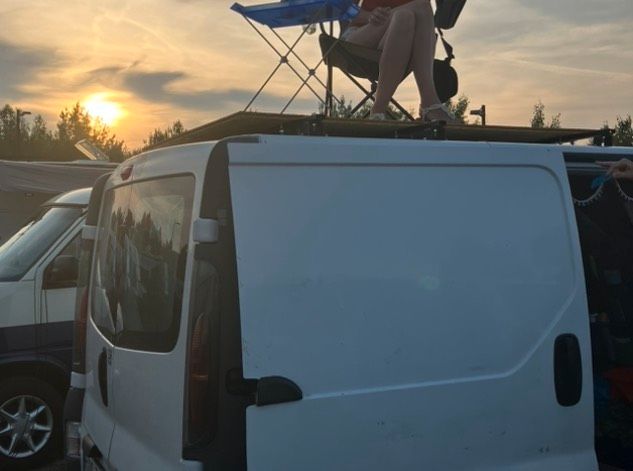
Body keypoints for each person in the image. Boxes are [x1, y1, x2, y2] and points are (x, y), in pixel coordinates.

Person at [342, 0, 457, 122]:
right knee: (422, 6)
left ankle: (378, 111)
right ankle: (429, 103)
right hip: (361, 34)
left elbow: (446, 16)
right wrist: (368, 16)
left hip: (395, 41)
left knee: (404, 17)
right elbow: (342, 6)